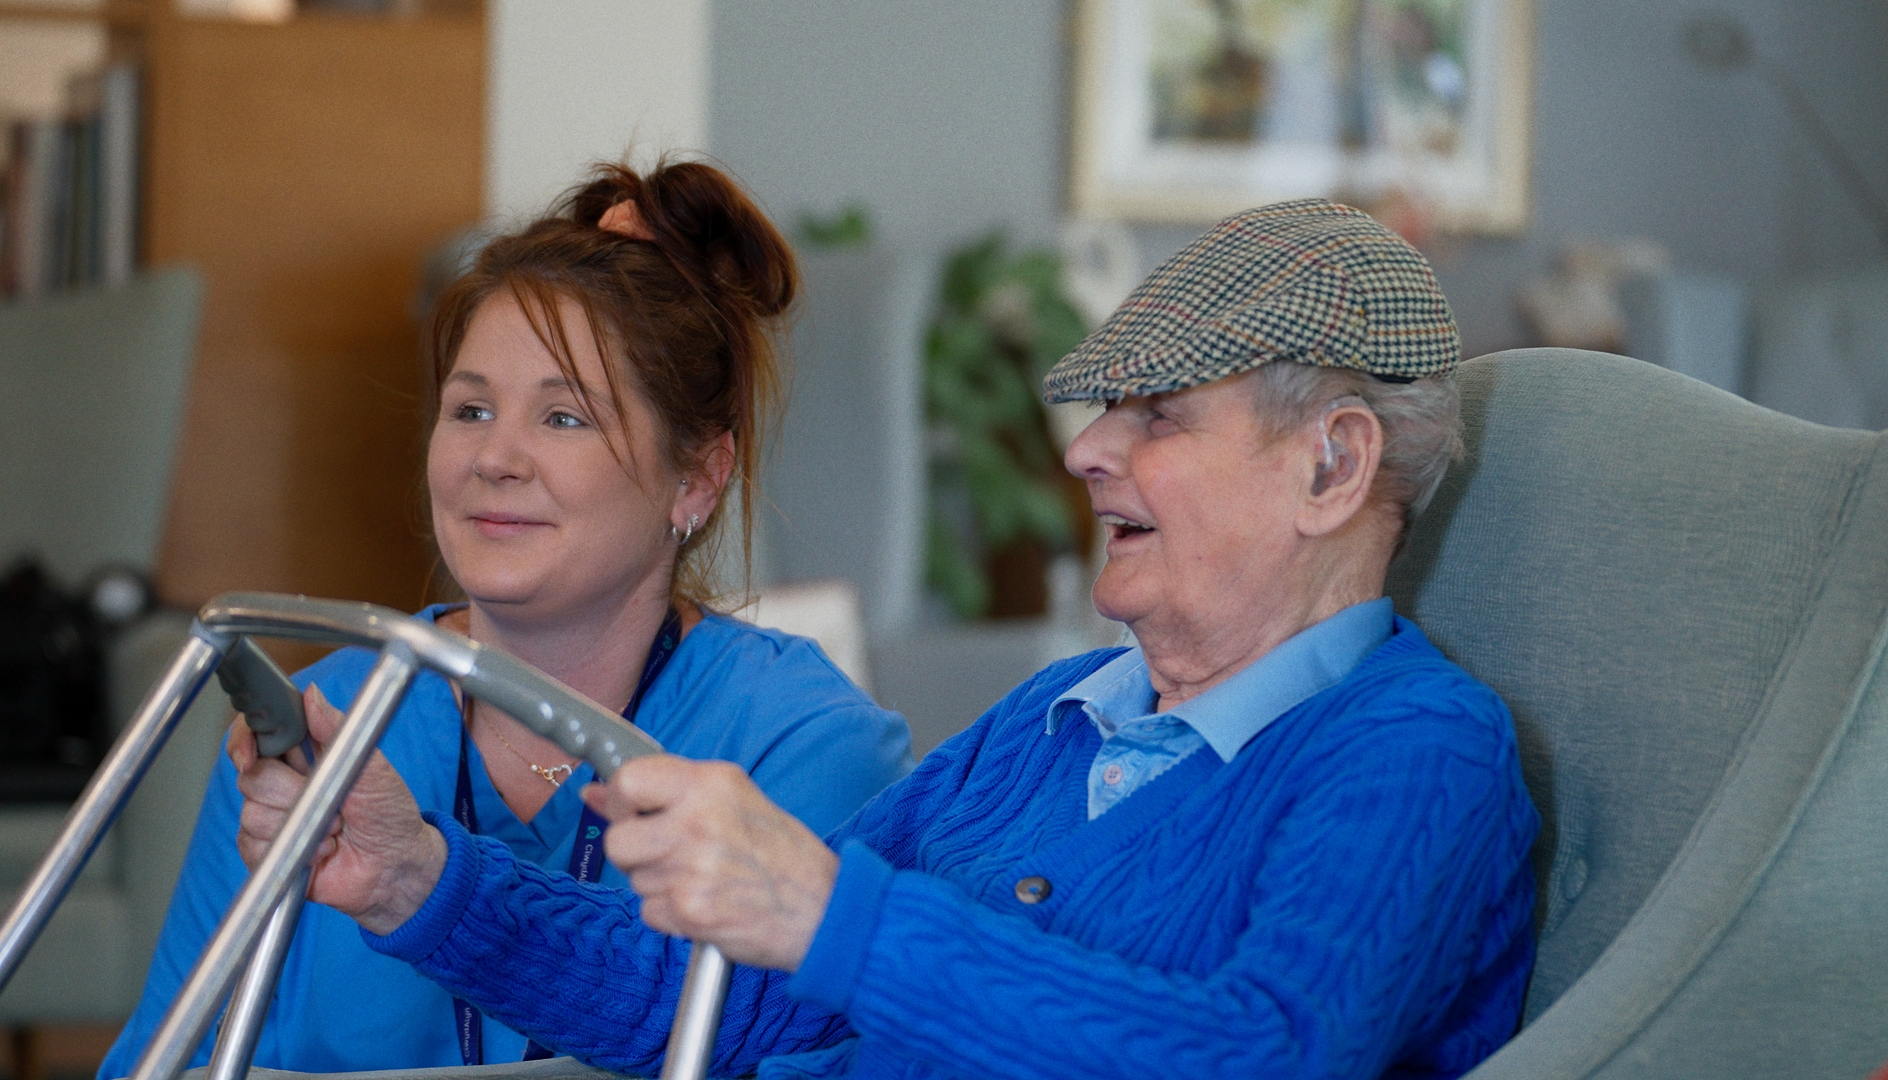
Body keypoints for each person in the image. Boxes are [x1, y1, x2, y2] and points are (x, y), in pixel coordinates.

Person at [234, 200, 1539, 1079]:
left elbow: (1267, 1054)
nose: (1083, 454)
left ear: (1332, 465)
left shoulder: (1417, 749)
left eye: (1155, 416)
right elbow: (728, 998)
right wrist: (421, 882)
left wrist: (828, 910)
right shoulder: (1057, 714)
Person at [100, 160, 913, 1079]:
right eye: (470, 408)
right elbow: (163, 1059)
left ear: (698, 477)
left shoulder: (800, 745)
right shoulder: (321, 721)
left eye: (564, 418)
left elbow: (787, 1046)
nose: (495, 457)